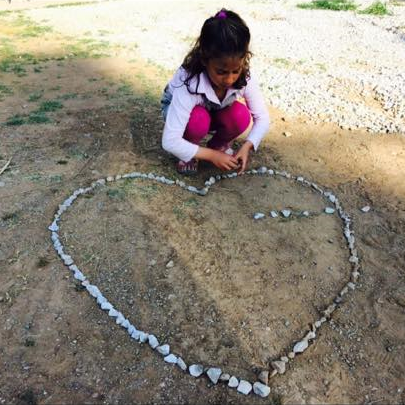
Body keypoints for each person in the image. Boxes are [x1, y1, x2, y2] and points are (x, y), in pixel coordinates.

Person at [161, 8, 270, 175]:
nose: (229, 80)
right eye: (221, 72)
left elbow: (262, 117)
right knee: (198, 119)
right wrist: (212, 156)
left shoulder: (245, 78)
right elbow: (169, 141)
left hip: (214, 109)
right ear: (205, 59)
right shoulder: (189, 82)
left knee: (240, 115)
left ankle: (218, 145)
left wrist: (247, 146)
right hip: (186, 113)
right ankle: (190, 151)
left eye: (236, 71)